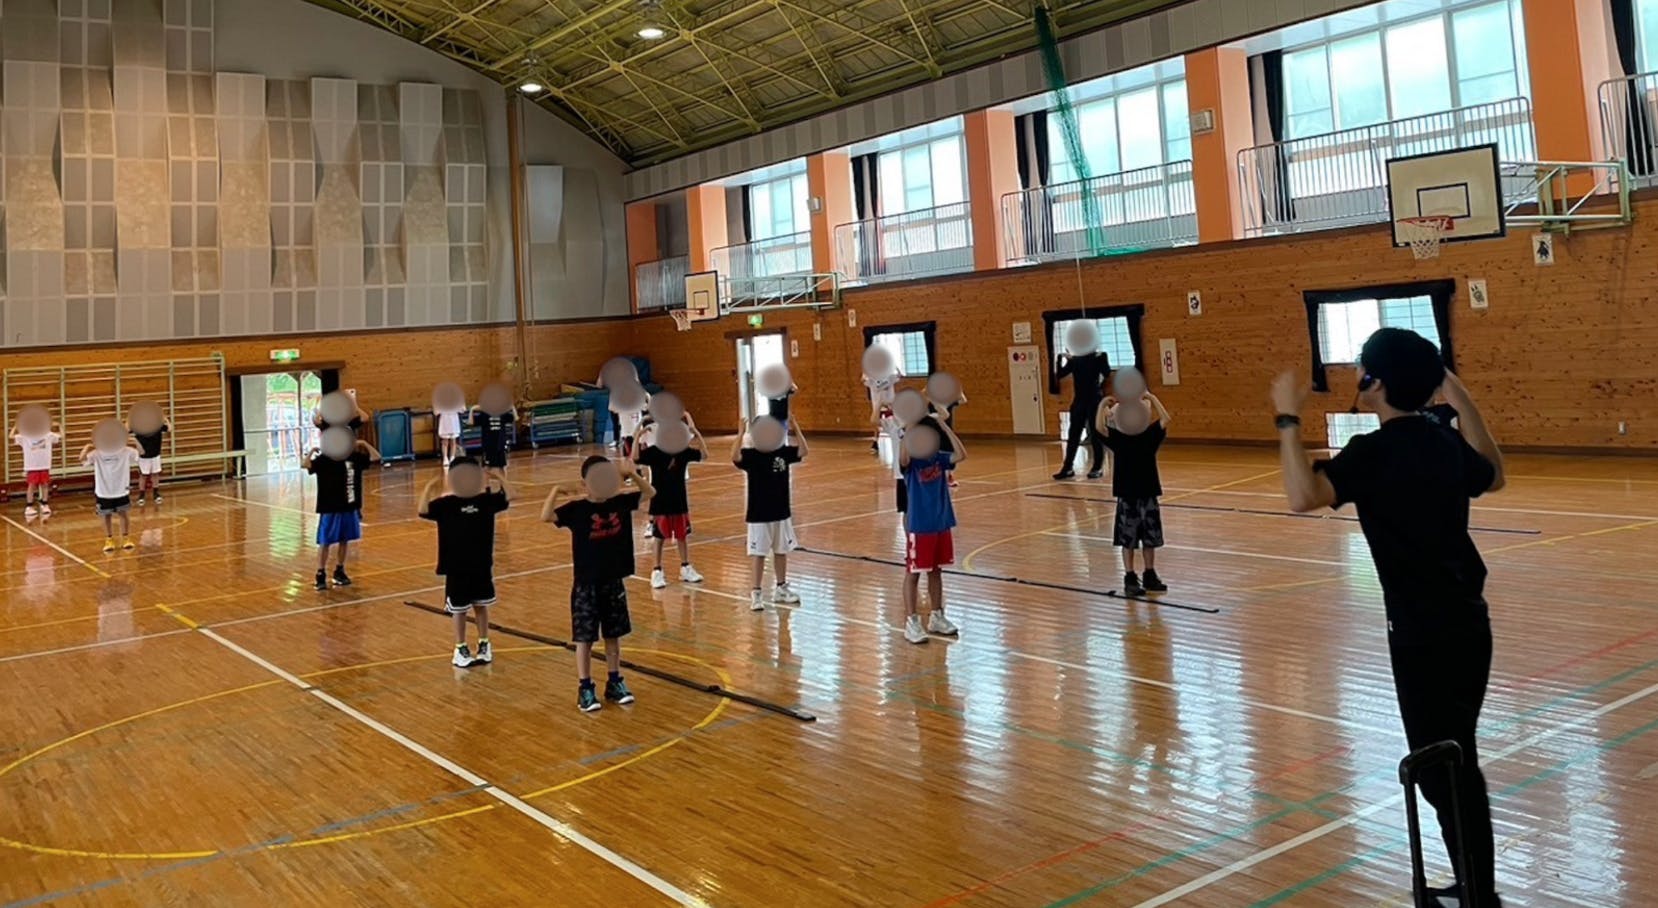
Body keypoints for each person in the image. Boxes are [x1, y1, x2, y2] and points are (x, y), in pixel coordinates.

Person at [1272, 328, 1506, 908]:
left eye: (1362, 369)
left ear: (1374, 382)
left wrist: (1287, 419)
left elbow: (1302, 495)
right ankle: (1475, 887)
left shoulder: (1373, 453)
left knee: (1441, 770)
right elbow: (1493, 472)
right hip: (1470, 625)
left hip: (1422, 635)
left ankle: (1479, 896)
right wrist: (1460, 397)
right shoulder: (1440, 439)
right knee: (1457, 757)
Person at [543, 457, 655, 712]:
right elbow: (546, 516)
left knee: (613, 635)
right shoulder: (577, 509)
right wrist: (556, 491)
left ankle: (615, 682)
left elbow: (650, 492)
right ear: (585, 483)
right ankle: (585, 687)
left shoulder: (620, 502)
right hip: (586, 584)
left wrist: (632, 474)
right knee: (585, 638)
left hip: (613, 580)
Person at [418, 457, 512, 668]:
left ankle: (484, 643)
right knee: (459, 609)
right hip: (456, 566)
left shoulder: (485, 501)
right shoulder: (446, 504)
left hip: (481, 564)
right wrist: (429, 488)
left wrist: (499, 477)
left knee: (481, 605)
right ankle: (460, 648)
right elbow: (423, 510)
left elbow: (510, 496)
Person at [899, 422, 965, 644]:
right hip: (920, 526)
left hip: (941, 522)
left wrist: (945, 428)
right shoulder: (912, 462)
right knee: (914, 573)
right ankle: (911, 622)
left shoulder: (939, 458)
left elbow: (961, 454)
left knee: (936, 571)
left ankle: (937, 616)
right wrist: (909, 429)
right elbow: (903, 459)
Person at [732, 417, 808, 611]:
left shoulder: (782, 452)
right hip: (759, 514)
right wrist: (740, 433)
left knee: (781, 550)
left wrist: (796, 428)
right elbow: (735, 457)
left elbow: (803, 451)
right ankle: (756, 593)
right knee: (759, 554)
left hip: (781, 512)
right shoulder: (751, 455)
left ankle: (781, 588)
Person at [1101, 393, 1172, 596]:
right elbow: (1099, 428)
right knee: (1128, 540)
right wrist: (1101, 405)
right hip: (1127, 496)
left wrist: (1152, 397)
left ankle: (1150, 574)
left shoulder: (1149, 436)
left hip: (1148, 493)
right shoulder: (1119, 439)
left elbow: (1166, 418)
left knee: (1150, 539)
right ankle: (1130, 576)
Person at [634, 416, 707, 589]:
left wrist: (697, 434)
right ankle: (656, 571)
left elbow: (704, 455)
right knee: (659, 538)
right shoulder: (654, 452)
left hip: (679, 501)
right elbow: (635, 457)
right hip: (660, 501)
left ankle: (685, 567)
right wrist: (638, 435)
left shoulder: (682, 451)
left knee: (682, 536)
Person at [304, 438, 381, 590]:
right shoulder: (325, 459)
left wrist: (364, 444)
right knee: (325, 542)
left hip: (349, 506)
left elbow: (376, 457)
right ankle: (320, 573)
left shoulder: (354, 458)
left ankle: (339, 570)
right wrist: (312, 451)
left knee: (344, 540)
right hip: (329, 508)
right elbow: (305, 465)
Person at [1053, 349, 1110, 480]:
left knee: (1096, 434)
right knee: (1073, 434)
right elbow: (1060, 374)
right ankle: (1067, 467)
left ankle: (1097, 467)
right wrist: (1060, 360)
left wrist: (1101, 359)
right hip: (1079, 401)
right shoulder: (1075, 359)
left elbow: (1106, 372)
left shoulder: (1100, 356)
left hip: (1094, 400)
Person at [81, 439, 141, 554]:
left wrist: (135, 441)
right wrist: (87, 447)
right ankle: (109, 540)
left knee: (123, 514)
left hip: (121, 490)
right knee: (106, 516)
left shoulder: (125, 450)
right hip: (103, 491)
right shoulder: (97, 453)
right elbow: (81, 460)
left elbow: (141, 454)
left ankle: (126, 538)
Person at [12, 419, 60, 520]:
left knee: (45, 485)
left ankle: (44, 504)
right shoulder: (26, 436)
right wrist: (16, 426)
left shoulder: (48, 435)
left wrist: (59, 425)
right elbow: (11, 436)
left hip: (44, 465)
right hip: (32, 466)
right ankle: (29, 506)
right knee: (31, 486)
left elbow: (61, 436)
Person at [130, 412, 171, 506]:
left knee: (155, 474)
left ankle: (156, 493)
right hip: (144, 456)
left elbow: (169, 429)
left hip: (155, 454)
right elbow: (126, 431)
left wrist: (166, 420)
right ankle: (141, 495)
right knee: (143, 475)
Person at [470, 404, 516, 473]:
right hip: (488, 446)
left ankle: (502, 480)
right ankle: (489, 480)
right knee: (486, 468)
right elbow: (471, 422)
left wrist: (513, 408)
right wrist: (472, 410)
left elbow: (515, 418)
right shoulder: (484, 414)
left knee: (502, 467)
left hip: (500, 446)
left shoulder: (502, 413)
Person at [864, 369, 898, 453]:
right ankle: (875, 442)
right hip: (878, 405)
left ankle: (898, 440)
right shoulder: (870, 374)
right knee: (876, 423)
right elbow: (864, 379)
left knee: (895, 424)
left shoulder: (889, 372)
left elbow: (898, 376)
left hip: (889, 404)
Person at [436, 396, 466, 466]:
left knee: (453, 440)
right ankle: (445, 458)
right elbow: (436, 412)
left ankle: (452, 458)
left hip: (453, 420)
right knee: (445, 441)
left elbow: (463, 409)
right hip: (445, 420)